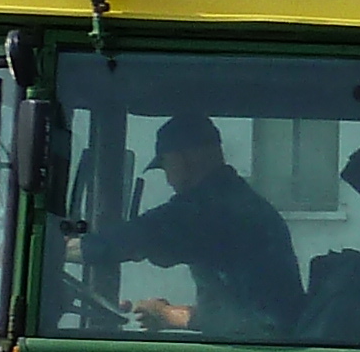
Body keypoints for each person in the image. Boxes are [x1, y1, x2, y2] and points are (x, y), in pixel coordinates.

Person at [83, 112, 302, 337]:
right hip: (261, 343)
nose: (168, 180)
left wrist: (73, 248)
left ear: (182, 159)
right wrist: (166, 314)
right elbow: (240, 311)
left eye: (166, 165)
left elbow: (143, 236)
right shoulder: (235, 202)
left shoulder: (210, 209)